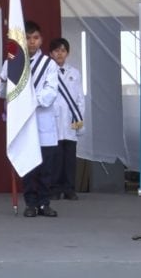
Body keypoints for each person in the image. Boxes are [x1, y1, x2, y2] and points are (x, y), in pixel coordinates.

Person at [0, 21, 59, 217]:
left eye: (35, 38)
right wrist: (4, 79)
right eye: (27, 37)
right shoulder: (12, 62)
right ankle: (31, 203)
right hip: (23, 123)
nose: (31, 42)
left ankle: (44, 202)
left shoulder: (49, 64)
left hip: (43, 119)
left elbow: (51, 92)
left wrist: (30, 102)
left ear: (41, 40)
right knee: (29, 165)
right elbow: (1, 92)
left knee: (46, 167)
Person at [49, 37, 85, 201]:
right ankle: (54, 188)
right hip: (53, 120)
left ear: (67, 53)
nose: (60, 54)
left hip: (71, 119)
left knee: (70, 157)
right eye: (56, 51)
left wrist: (80, 119)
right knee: (55, 157)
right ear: (51, 53)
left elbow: (79, 98)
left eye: (63, 50)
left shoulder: (75, 73)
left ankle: (69, 188)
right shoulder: (46, 72)